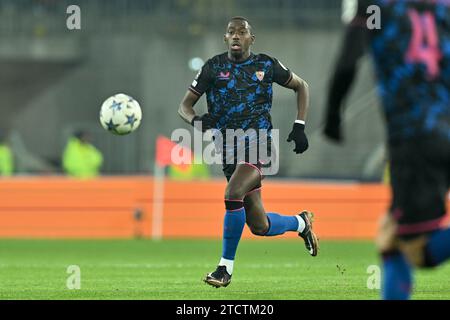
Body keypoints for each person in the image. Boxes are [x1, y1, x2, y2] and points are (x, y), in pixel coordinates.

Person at [178, 16, 319, 288]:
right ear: (224, 38)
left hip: (260, 145)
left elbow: (302, 86)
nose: (235, 36)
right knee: (260, 225)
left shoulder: (266, 65)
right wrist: (195, 120)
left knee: (232, 193)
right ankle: (301, 223)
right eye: (230, 32)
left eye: (241, 32)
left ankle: (224, 269)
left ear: (251, 39)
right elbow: (184, 106)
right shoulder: (212, 68)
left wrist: (299, 125)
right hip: (228, 150)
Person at [323, 0, 450, 299]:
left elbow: (346, 63)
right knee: (389, 236)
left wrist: (332, 116)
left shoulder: (375, 7)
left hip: (415, 140)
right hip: (443, 126)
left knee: (416, 250)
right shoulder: (441, 8)